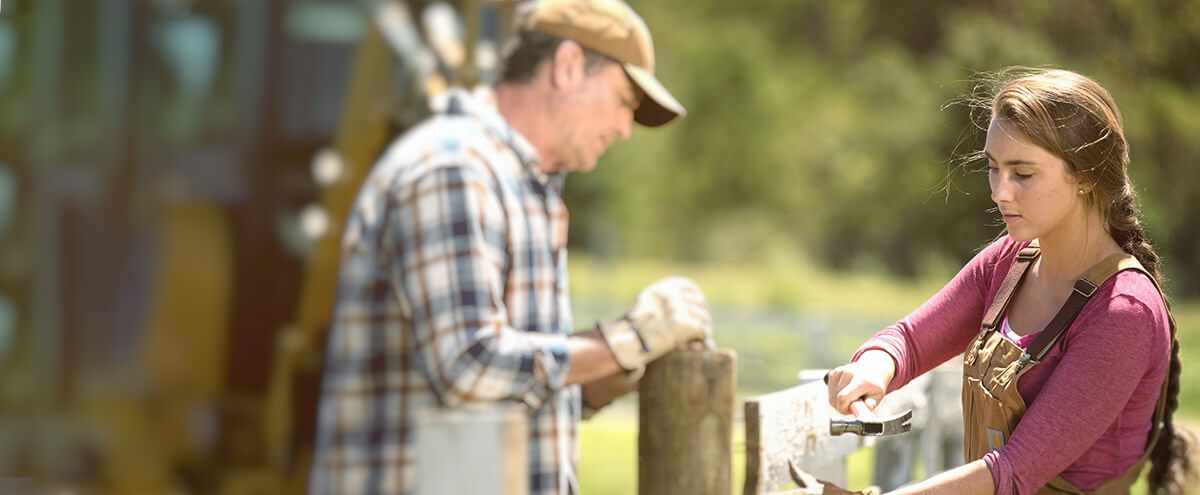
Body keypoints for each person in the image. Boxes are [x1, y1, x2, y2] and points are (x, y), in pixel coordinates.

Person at [306, 0, 711, 493]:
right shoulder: (454, 169)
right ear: (567, 68)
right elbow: (469, 366)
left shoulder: (525, 184)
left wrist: (605, 374)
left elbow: (509, 387)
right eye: (624, 100)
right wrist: (626, 340)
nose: (625, 128)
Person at [825, 68, 1195, 494]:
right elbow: (908, 341)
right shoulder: (1010, 261)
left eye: (1023, 173)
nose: (1000, 191)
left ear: (1087, 176)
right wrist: (872, 368)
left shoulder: (1123, 312)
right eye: (993, 168)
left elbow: (1012, 474)